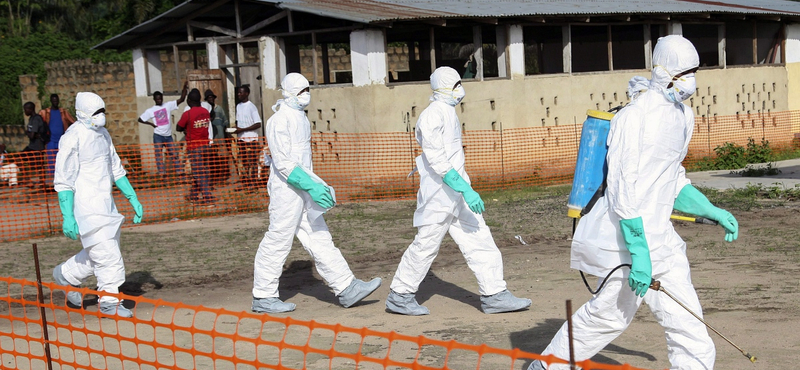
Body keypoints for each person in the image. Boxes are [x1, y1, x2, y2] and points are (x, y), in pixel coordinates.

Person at [528, 36, 739, 370]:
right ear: (664, 70)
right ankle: (547, 366)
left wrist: (709, 209)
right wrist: (639, 254)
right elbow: (623, 192)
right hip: (625, 241)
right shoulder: (634, 117)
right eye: (685, 71)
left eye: (695, 71)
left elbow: (672, 178)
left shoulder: (684, 115)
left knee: (690, 328)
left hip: (662, 241)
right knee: (608, 318)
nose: (691, 79)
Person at [385, 67, 530, 316]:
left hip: (459, 193)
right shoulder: (431, 116)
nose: (459, 89)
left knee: (480, 239)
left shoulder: (448, 112)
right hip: (439, 196)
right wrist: (465, 189)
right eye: (455, 84)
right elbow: (438, 160)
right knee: (426, 245)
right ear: (442, 87)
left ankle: (494, 294)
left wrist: (465, 189)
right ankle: (400, 295)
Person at [252, 73, 381, 314]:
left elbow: (302, 161)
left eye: (306, 89)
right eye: (300, 91)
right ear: (288, 92)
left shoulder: (300, 117)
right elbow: (283, 163)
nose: (305, 95)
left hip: (303, 188)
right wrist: (311, 185)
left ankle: (346, 287)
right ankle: (263, 295)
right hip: (287, 190)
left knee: (319, 235)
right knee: (278, 239)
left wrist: (314, 185)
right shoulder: (279, 120)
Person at [51, 92, 144, 318]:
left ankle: (66, 275)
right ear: (82, 114)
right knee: (108, 256)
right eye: (96, 112)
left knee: (99, 253)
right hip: (87, 209)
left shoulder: (103, 135)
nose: (101, 116)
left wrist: (133, 198)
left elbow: (116, 168)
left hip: (107, 207)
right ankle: (109, 302)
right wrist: (67, 216)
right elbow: (63, 180)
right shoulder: (72, 137)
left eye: (103, 111)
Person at [138, 82, 188, 178]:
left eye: (160, 99)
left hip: (168, 136)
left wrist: (184, 88)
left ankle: (179, 171)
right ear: (154, 100)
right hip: (158, 136)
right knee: (158, 155)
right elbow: (140, 119)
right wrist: (151, 124)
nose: (159, 100)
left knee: (174, 154)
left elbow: (181, 99)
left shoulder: (168, 105)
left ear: (162, 98)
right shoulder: (151, 110)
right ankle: (162, 173)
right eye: (157, 99)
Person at [177, 89, 215, 204]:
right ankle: (193, 195)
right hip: (205, 145)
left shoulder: (187, 114)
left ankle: (207, 197)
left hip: (194, 147)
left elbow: (178, 127)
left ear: (189, 101)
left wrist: (187, 128)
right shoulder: (205, 111)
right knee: (201, 171)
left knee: (198, 172)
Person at [39, 94, 76, 179]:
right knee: (51, 162)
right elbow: (39, 122)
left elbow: (72, 122)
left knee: (63, 160)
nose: (55, 102)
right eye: (53, 100)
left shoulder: (63, 112)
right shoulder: (46, 112)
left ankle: (64, 178)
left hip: (61, 140)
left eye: (56, 100)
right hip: (51, 141)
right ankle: (53, 180)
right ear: (51, 101)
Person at [232, 85, 262, 189]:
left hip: (251, 139)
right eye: (238, 93)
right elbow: (238, 120)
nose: (239, 94)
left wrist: (243, 129)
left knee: (252, 161)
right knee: (244, 162)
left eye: (241, 93)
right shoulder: (238, 106)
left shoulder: (251, 107)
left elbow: (258, 124)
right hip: (241, 139)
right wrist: (235, 128)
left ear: (247, 93)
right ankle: (247, 182)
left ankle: (254, 184)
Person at [23, 102, 48, 189]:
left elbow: (32, 135)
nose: (25, 111)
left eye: (26, 109)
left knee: (40, 166)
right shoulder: (31, 119)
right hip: (32, 146)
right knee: (20, 158)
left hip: (38, 147)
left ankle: (42, 185)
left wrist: (28, 133)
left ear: (30, 109)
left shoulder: (36, 119)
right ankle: (28, 180)